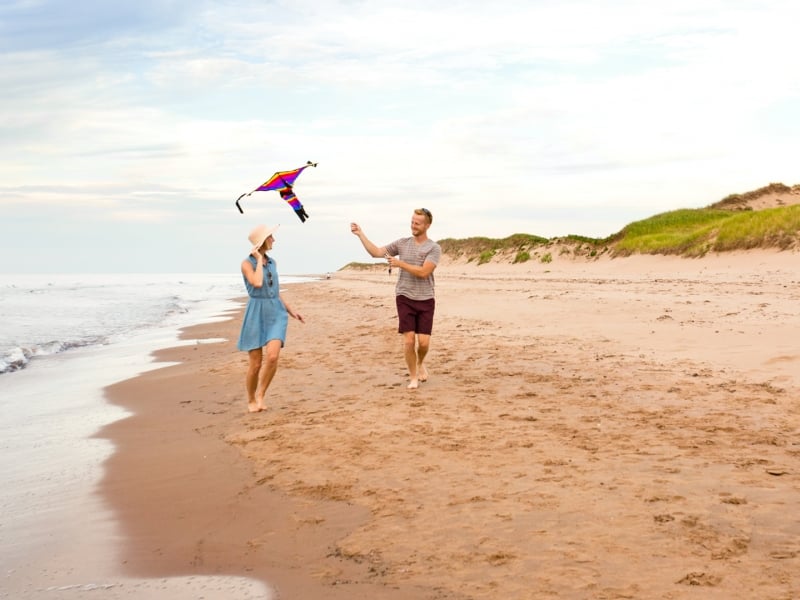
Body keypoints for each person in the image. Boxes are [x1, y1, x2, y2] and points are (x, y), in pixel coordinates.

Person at [350, 208, 441, 389]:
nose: (413, 225)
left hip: (425, 299)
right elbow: (376, 252)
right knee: (408, 340)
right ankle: (413, 377)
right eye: (412, 221)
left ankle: (420, 362)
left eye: (417, 223)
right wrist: (361, 234)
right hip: (404, 296)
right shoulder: (402, 243)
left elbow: (424, 272)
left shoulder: (434, 248)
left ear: (427, 225)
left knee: (423, 343)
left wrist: (399, 263)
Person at [237, 224, 305, 413]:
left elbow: (275, 289)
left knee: (273, 357)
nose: (274, 240)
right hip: (256, 311)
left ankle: (261, 394)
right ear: (262, 241)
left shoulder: (273, 262)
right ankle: (251, 399)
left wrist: (291, 310)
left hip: (276, 311)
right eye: (271, 237)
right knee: (256, 363)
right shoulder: (246, 263)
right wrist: (258, 260)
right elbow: (257, 282)